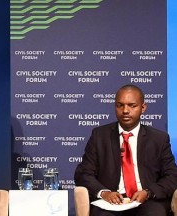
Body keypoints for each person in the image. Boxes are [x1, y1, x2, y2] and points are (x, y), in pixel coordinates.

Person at [74, 84, 177, 216]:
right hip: (110, 202)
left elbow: (172, 176)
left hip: (147, 201)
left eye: (132, 105)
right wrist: (104, 192)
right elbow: (83, 173)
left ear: (143, 107)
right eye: (120, 105)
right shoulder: (99, 136)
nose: (125, 110)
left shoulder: (158, 139)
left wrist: (148, 192)